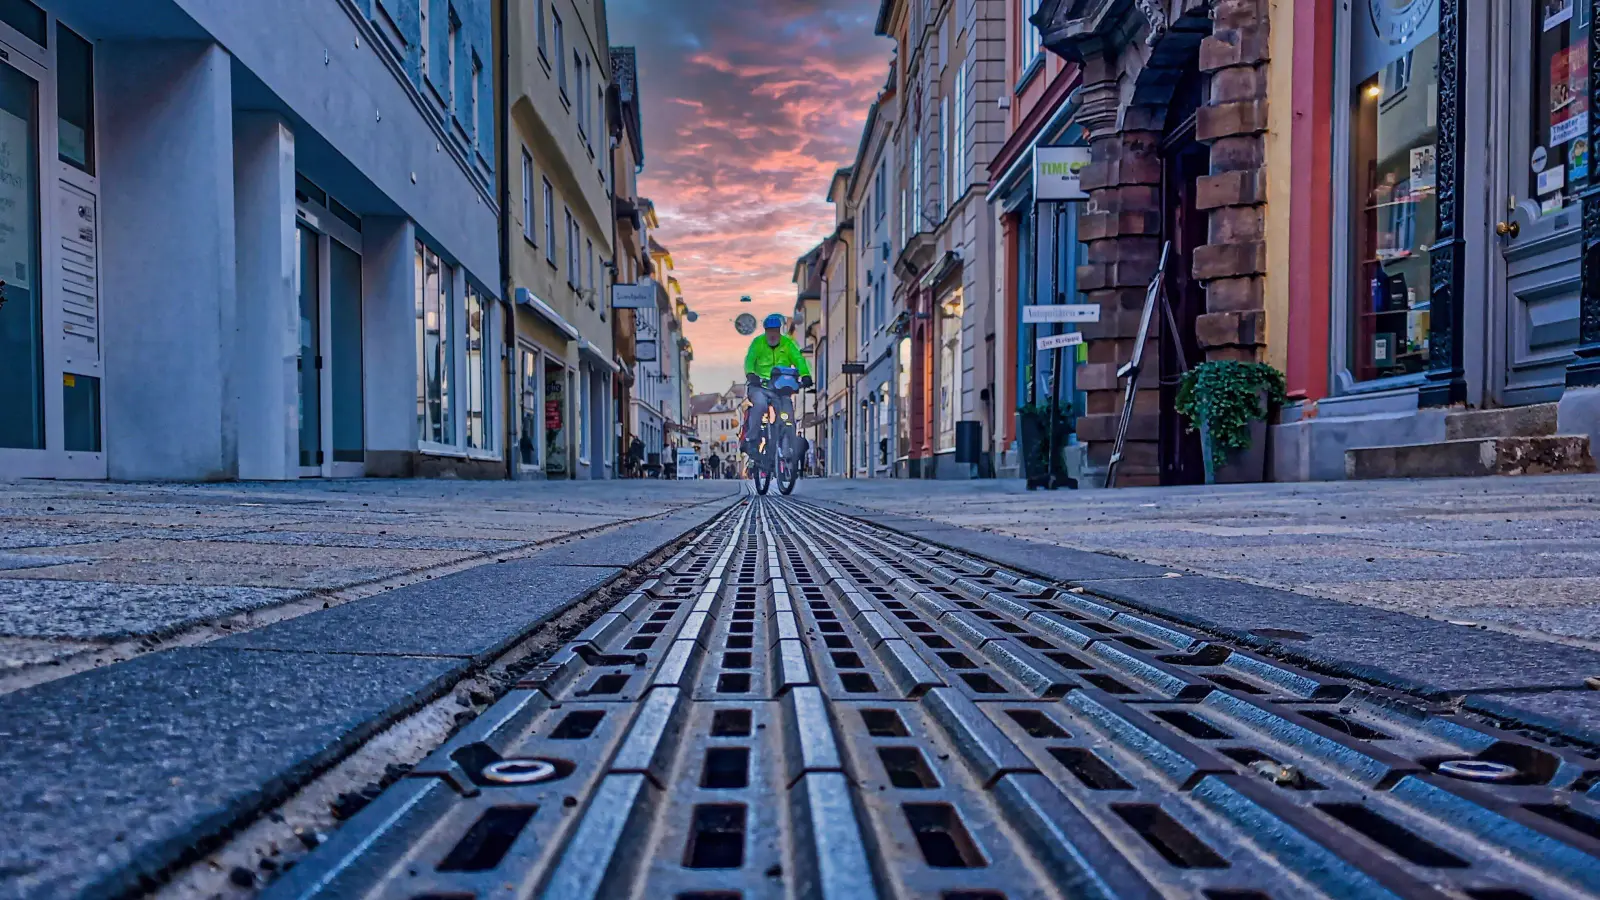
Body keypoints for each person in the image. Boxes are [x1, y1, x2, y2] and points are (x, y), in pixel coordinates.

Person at [743, 314, 812, 453]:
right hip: (760, 386)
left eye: (775, 330)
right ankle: (751, 439)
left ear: (779, 330)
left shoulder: (787, 344)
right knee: (760, 405)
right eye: (770, 331)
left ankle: (789, 441)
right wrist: (751, 374)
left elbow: (799, 359)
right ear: (766, 331)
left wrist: (805, 375)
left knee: (788, 413)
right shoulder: (758, 343)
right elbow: (749, 360)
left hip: (780, 388)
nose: (773, 334)